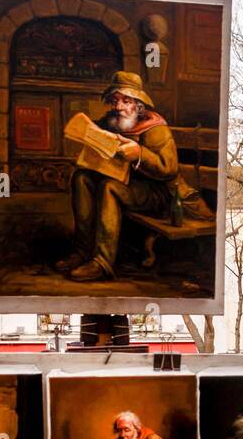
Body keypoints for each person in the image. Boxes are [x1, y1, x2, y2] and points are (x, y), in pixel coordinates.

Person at [57, 71, 213, 282]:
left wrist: (139, 153)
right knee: (81, 178)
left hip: (159, 195)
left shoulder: (155, 128)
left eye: (126, 101)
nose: (119, 106)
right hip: (128, 184)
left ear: (139, 105)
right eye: (115, 101)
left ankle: (102, 263)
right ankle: (83, 251)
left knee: (109, 187)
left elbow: (168, 169)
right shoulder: (112, 120)